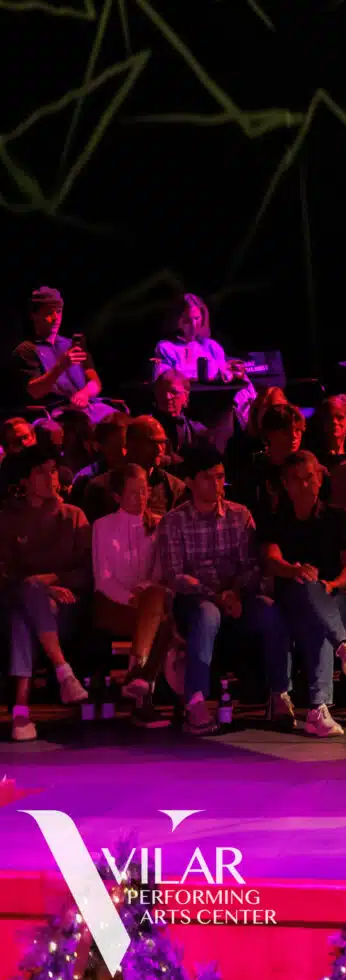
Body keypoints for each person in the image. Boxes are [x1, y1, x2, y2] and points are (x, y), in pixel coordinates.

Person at [157, 444, 286, 735]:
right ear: (189, 481)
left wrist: (236, 593)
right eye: (207, 478)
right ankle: (195, 702)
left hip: (236, 596)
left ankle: (280, 692)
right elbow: (175, 576)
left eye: (220, 477)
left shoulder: (239, 515)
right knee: (207, 614)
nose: (216, 484)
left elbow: (251, 565)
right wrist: (215, 595)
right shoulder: (173, 522)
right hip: (195, 601)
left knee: (269, 611)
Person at [259, 450, 346, 738]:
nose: (305, 485)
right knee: (308, 592)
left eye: (310, 477)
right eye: (297, 480)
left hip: (339, 598)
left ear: (320, 478)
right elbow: (271, 560)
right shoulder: (276, 519)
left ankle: (318, 707)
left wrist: (329, 586)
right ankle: (322, 698)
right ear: (285, 484)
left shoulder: (339, 517)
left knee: (318, 611)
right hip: (293, 599)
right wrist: (293, 570)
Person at [0, 446, 92, 737]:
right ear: (25, 480)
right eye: (41, 472)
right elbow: (4, 573)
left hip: (66, 608)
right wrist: (39, 589)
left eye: (53, 471)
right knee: (23, 609)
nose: (50, 477)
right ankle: (63, 672)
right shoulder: (9, 518)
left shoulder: (74, 516)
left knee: (24, 614)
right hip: (20, 603)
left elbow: (88, 570)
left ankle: (21, 712)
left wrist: (54, 580)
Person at [90, 461, 171, 715]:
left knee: (159, 601)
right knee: (162, 617)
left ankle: (138, 677)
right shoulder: (102, 526)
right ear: (117, 496)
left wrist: (144, 590)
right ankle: (141, 678)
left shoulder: (160, 524)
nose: (141, 498)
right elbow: (103, 579)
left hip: (149, 601)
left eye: (144, 491)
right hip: (114, 603)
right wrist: (130, 598)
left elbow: (160, 571)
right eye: (133, 493)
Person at [152, 293, 251, 430]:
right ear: (176, 321)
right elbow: (165, 379)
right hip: (188, 409)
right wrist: (212, 372)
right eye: (187, 321)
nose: (193, 325)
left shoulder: (211, 346)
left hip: (217, 407)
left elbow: (226, 374)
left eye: (197, 318)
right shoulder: (165, 347)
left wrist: (233, 372)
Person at [13, 288, 108, 426]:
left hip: (89, 406)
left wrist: (85, 393)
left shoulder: (71, 345)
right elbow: (35, 392)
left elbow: (95, 382)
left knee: (121, 422)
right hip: (57, 412)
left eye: (58, 312)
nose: (55, 318)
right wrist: (60, 366)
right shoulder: (27, 350)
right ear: (34, 315)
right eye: (49, 313)